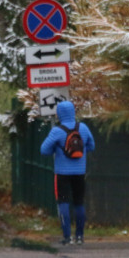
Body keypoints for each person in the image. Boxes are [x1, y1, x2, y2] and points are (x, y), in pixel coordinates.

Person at [40, 99, 95, 245]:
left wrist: (57, 151)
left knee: (63, 203)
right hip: (80, 172)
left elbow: (43, 150)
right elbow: (91, 145)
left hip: (62, 173)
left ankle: (67, 236)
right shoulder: (83, 128)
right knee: (79, 203)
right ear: (73, 112)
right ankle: (79, 236)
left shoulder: (57, 131)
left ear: (59, 114)